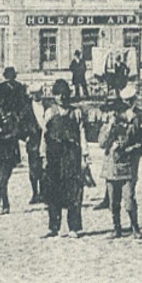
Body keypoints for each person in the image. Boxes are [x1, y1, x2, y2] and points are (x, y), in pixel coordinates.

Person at [98, 87, 142, 238]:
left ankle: (135, 227)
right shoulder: (108, 123)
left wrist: (126, 148)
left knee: (129, 198)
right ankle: (116, 228)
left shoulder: (133, 121)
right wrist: (110, 126)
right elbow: (101, 142)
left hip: (127, 165)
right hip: (111, 166)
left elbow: (139, 143)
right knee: (113, 201)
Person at [40, 81, 86, 237]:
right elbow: (44, 136)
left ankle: (74, 227)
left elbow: (82, 136)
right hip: (54, 156)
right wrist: (43, 156)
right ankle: (53, 226)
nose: (62, 96)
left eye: (64, 93)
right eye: (58, 93)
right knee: (53, 191)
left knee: (73, 192)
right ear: (54, 95)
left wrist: (85, 157)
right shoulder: (50, 112)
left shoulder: (76, 113)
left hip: (71, 156)